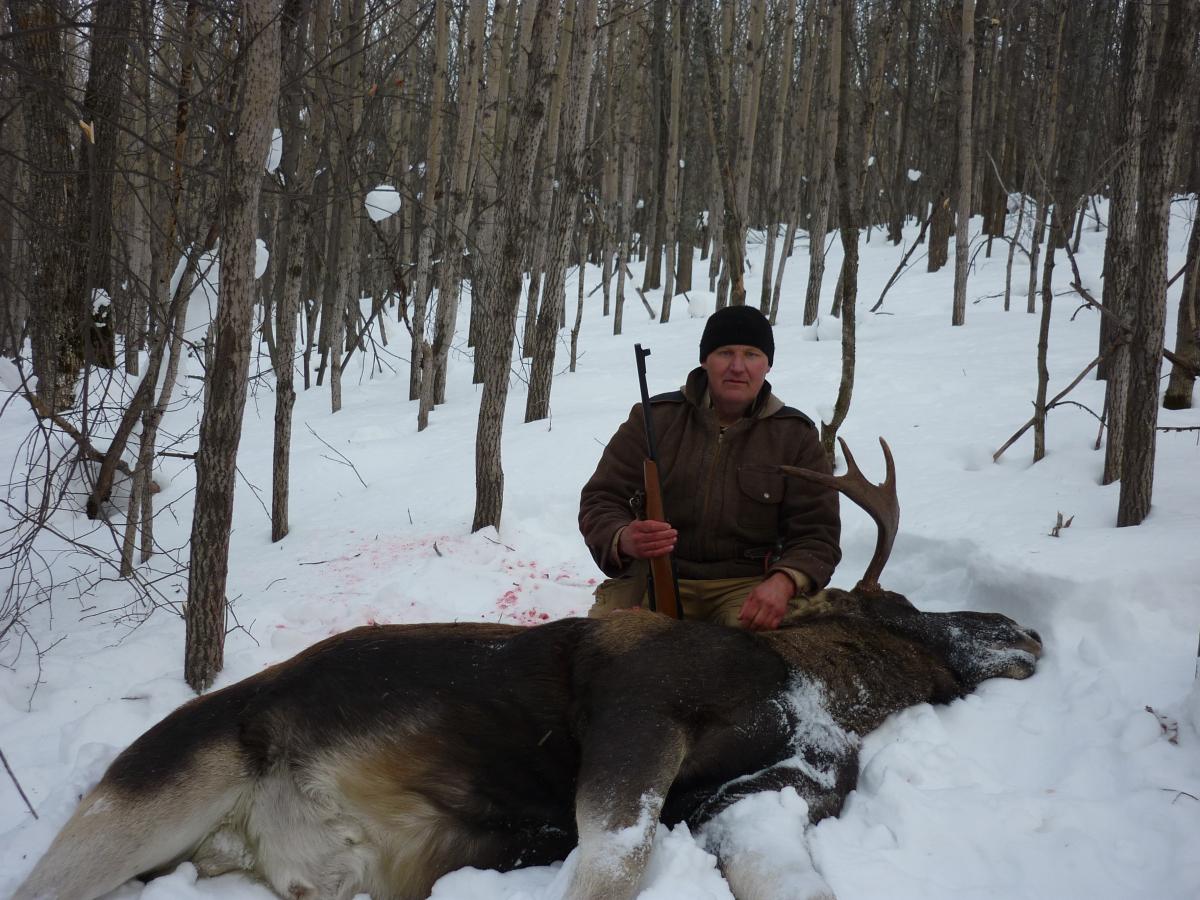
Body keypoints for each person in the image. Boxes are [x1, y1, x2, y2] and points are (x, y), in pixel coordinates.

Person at [578, 305, 841, 630]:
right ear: (705, 360)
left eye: (751, 354)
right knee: (601, 651)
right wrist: (624, 538)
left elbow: (818, 534)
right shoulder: (653, 418)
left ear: (767, 364)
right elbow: (601, 499)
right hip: (654, 575)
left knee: (757, 661)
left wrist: (783, 582)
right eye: (725, 352)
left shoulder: (795, 435)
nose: (737, 367)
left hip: (747, 584)